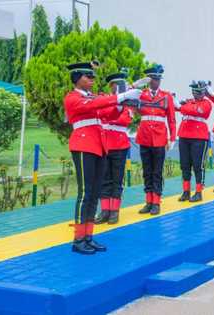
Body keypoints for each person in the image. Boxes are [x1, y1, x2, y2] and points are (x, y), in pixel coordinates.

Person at [64, 61, 141, 254]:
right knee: (85, 193)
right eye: (87, 77)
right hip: (83, 145)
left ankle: (88, 236)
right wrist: (120, 96)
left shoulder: (92, 97)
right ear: (76, 79)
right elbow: (99, 103)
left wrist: (123, 102)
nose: (92, 79)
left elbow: (109, 112)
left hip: (98, 146)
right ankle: (78, 239)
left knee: (94, 194)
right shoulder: (72, 97)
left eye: (92, 76)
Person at [136, 65, 176, 215]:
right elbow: (123, 97)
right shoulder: (140, 94)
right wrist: (135, 85)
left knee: (157, 171)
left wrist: (172, 137)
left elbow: (171, 119)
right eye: (153, 79)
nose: (156, 82)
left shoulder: (166, 96)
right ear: (148, 80)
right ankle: (148, 201)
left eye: (158, 79)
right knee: (147, 171)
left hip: (159, 138)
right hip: (145, 137)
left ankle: (156, 202)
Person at [95, 71, 134, 225]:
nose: (119, 88)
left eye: (121, 85)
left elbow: (125, 120)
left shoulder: (126, 102)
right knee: (104, 178)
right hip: (104, 143)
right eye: (117, 85)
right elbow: (101, 114)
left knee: (117, 179)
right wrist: (111, 113)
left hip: (120, 144)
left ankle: (114, 211)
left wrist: (109, 116)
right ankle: (104, 210)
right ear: (111, 86)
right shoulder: (103, 98)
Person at [177, 81, 212, 202]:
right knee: (184, 165)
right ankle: (186, 191)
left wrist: (183, 107)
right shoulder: (189, 102)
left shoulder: (207, 103)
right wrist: (182, 105)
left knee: (198, 165)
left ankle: (198, 192)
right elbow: (178, 107)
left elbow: (198, 111)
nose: (199, 94)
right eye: (196, 92)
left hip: (199, 137)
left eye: (201, 92)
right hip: (184, 135)